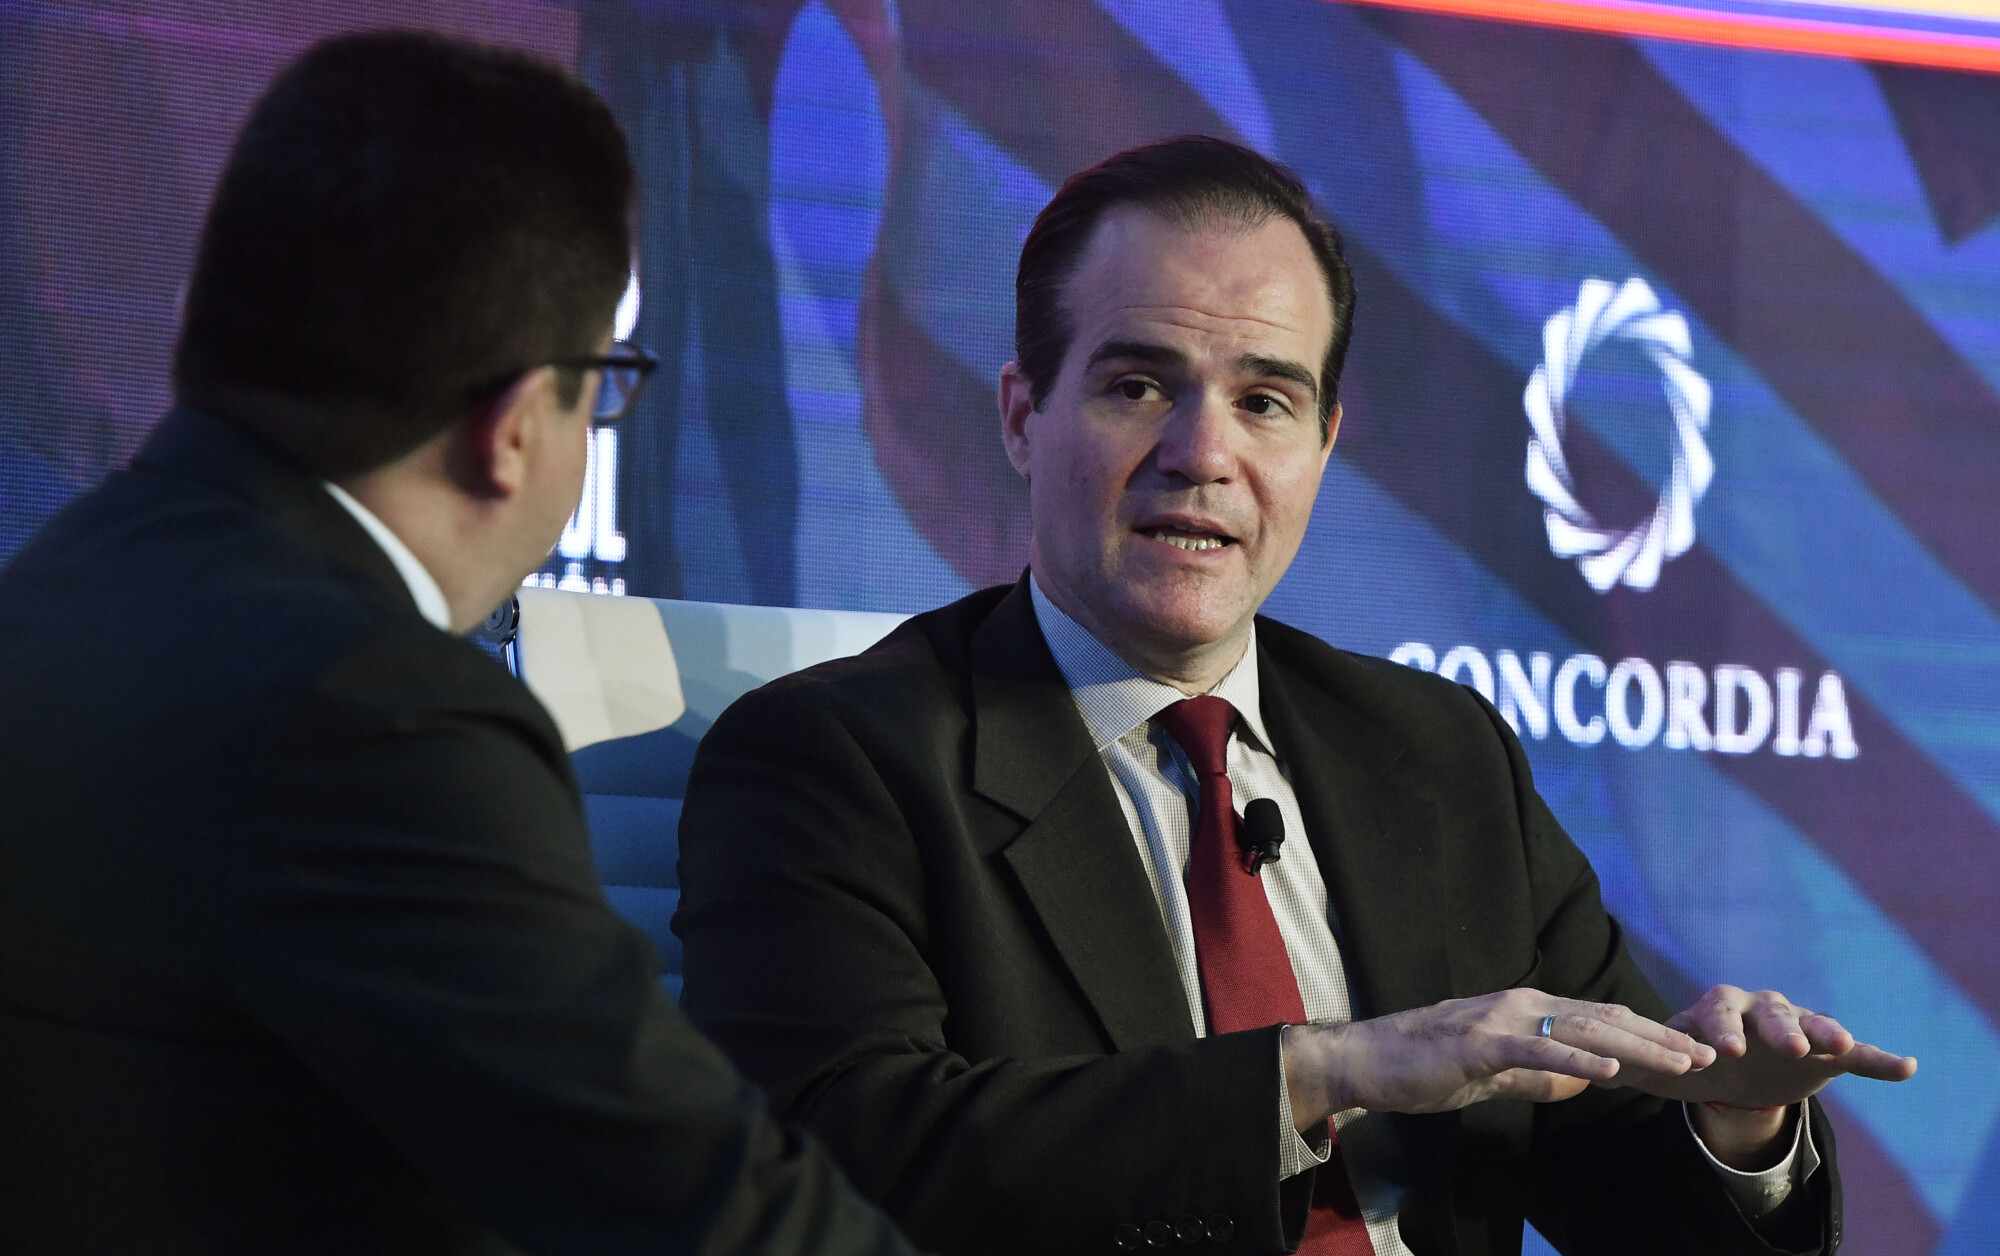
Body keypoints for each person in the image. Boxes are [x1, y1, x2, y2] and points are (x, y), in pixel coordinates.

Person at [672, 136, 1915, 1256]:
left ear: (1322, 444)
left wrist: (1733, 1125)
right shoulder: (841, 756)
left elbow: (1617, 1182)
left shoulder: (1437, 755)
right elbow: (846, 1156)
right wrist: (1319, 1069)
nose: (1200, 453)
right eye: (1136, 385)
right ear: (1019, 416)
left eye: (1263, 400)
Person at [0, 31, 920, 1256]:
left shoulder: (56, 583)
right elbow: (700, 1211)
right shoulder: (373, 713)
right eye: (604, 388)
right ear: (513, 425)